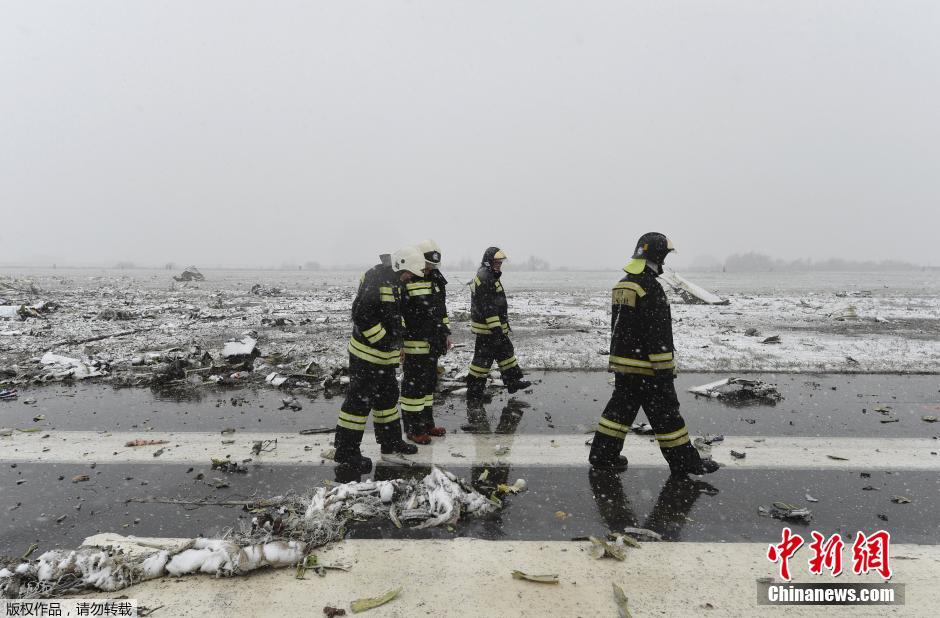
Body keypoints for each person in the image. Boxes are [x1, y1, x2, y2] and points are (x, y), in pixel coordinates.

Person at [588, 232, 720, 476]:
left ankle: (602, 456)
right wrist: (665, 369)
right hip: (648, 368)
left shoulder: (623, 284)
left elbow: (620, 329)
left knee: (618, 413)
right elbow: (657, 335)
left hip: (624, 366)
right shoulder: (651, 288)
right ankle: (685, 463)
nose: (665, 263)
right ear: (657, 256)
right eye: (665, 256)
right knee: (667, 416)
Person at [333, 246, 425, 473]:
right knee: (358, 405)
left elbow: (393, 316)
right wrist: (385, 342)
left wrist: (398, 344)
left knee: (387, 401)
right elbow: (362, 316)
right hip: (366, 357)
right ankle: (346, 453)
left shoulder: (394, 281)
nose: (409, 278)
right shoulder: (377, 279)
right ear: (400, 265)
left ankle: (391, 444)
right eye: (409, 274)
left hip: (383, 358)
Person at [399, 239, 451, 444]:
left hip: (433, 343)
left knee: (429, 385)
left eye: (434, 265)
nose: (430, 269)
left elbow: (441, 310)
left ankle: (427, 424)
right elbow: (399, 313)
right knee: (414, 388)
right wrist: (401, 344)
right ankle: (413, 429)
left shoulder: (436, 279)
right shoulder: (407, 279)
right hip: (413, 342)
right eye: (427, 264)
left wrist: (445, 334)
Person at [466, 247, 532, 403]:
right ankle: (474, 393)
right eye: (496, 262)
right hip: (488, 330)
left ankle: (513, 382)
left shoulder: (489, 275)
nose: (499, 265)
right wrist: (496, 330)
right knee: (482, 362)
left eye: (500, 263)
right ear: (488, 262)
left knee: (505, 352)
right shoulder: (485, 277)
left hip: (493, 328)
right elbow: (489, 307)